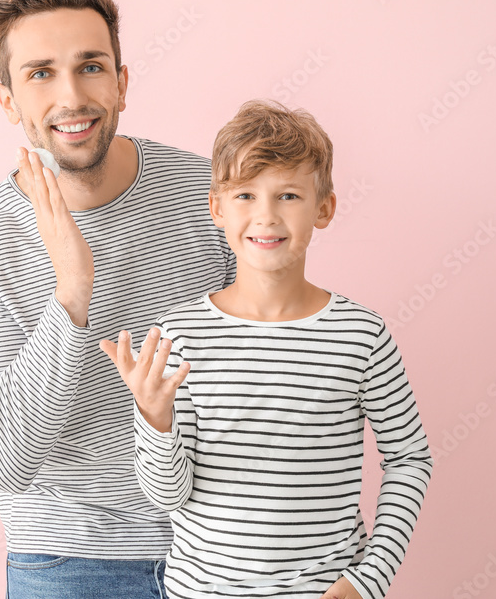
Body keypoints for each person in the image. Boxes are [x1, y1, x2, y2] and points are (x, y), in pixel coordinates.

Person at [0, 0, 235, 598]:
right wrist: (72, 292)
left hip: (229, 549)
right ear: (8, 101)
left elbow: (271, 371)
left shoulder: (212, 198)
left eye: (90, 66)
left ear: (121, 82)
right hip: (71, 564)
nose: (71, 96)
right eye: (40, 73)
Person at [100, 100, 433, 599]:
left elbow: (409, 459)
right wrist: (154, 417)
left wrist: (368, 580)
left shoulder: (362, 336)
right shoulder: (178, 335)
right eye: (245, 195)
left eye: (289, 195)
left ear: (324, 208)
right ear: (217, 207)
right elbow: (167, 495)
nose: (266, 216)